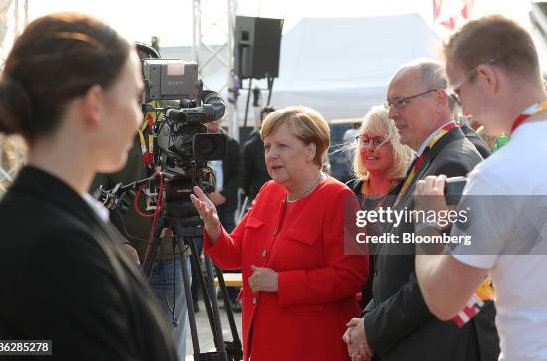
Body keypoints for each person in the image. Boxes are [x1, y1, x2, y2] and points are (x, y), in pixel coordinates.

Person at [0, 13, 177, 360]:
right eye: (135, 98)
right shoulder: (58, 243)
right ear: (94, 105)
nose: (140, 116)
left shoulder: (42, 221)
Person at [415, 15, 547, 360]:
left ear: (486, 76)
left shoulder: (498, 174)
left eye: (457, 91)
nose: (463, 110)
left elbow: (443, 300)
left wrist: (426, 224)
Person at [343, 60, 499, 361]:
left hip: (439, 344)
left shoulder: (453, 163)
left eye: (400, 102)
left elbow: (440, 279)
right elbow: (398, 264)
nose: (392, 114)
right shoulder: (433, 157)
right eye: (390, 104)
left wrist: (373, 328)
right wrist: (369, 318)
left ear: (439, 99)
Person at [191, 106, 368, 360]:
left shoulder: (342, 198)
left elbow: (352, 276)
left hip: (312, 347)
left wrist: (282, 283)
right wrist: (213, 226)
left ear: (311, 150)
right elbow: (233, 256)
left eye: (282, 146)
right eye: (267, 146)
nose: (271, 155)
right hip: (264, 346)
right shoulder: (268, 191)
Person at [89, 42, 188, 360]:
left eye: (149, 74)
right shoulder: (106, 129)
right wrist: (117, 244)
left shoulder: (176, 123)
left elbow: (203, 181)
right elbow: (90, 195)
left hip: (172, 252)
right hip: (127, 256)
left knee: (170, 346)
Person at [345, 105, 413, 308]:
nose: (369, 147)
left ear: (397, 144)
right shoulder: (349, 192)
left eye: (379, 140)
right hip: (350, 308)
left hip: (393, 307)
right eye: (365, 140)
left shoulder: (408, 193)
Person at [205, 117, 243, 312]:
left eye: (215, 119)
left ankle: (231, 297)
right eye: (209, 120)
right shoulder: (198, 141)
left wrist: (224, 194)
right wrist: (208, 194)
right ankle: (197, 298)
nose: (213, 123)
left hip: (226, 203)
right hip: (204, 200)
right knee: (201, 246)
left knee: (229, 245)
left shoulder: (232, 144)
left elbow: (239, 173)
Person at [241, 106, 275, 203]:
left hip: (283, 197)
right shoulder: (250, 147)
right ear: (260, 123)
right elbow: (245, 176)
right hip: (259, 199)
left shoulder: (286, 144)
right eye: (266, 120)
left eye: (272, 120)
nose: (269, 125)